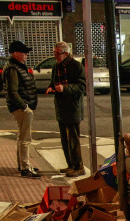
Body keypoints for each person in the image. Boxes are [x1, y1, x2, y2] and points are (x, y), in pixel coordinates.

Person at [46, 41, 86, 177]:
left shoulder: (76, 66)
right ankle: (70, 165)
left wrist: (65, 88)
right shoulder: (56, 66)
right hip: (61, 106)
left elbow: (81, 87)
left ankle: (78, 166)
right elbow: (54, 81)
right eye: (55, 53)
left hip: (73, 107)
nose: (55, 56)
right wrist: (51, 87)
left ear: (66, 53)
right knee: (64, 139)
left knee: (73, 139)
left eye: (58, 53)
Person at [3, 40, 40, 178]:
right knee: (25, 138)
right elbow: (12, 91)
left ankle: (22, 165)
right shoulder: (13, 68)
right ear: (16, 53)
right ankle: (25, 167)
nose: (26, 55)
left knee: (21, 137)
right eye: (24, 52)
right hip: (22, 107)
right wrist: (25, 107)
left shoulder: (16, 66)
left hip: (22, 106)